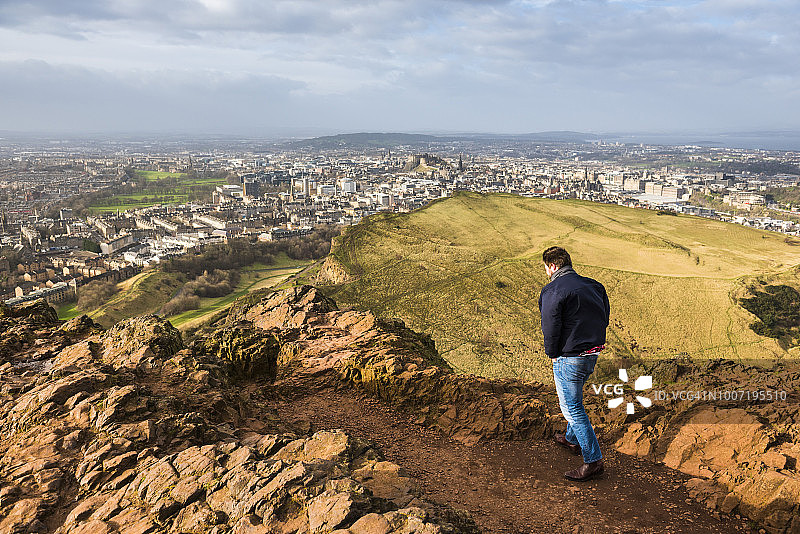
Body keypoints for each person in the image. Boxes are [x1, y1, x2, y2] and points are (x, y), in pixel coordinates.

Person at [538, 246, 609, 481]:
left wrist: (553, 354)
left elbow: (550, 326)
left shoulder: (552, 290)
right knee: (575, 399)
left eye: (546, 268)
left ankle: (593, 460)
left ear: (553, 266)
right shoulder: (594, 285)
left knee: (572, 408)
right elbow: (604, 315)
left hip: (570, 357)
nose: (547, 273)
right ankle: (571, 439)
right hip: (592, 354)